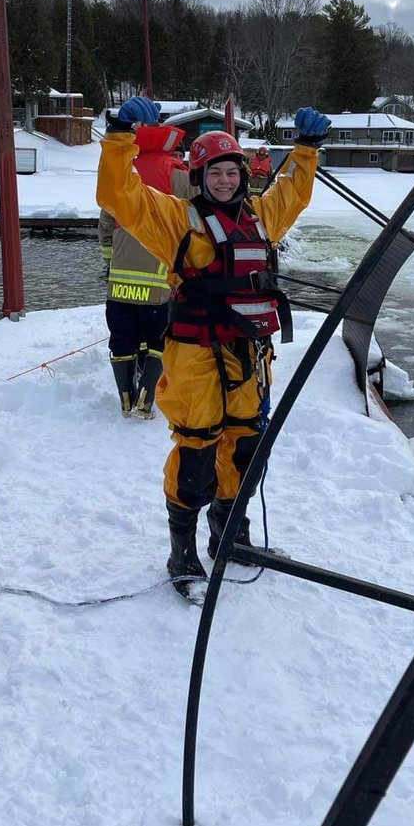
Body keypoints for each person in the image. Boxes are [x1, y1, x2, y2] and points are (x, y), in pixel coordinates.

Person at [97, 99, 330, 596]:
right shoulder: (176, 220)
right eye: (214, 173)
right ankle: (181, 552)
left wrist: (306, 150)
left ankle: (230, 535)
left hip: (249, 356)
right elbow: (120, 194)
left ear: (243, 177)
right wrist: (120, 134)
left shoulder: (262, 217)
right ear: (198, 178)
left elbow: (294, 194)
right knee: (198, 449)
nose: (225, 180)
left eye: (232, 172)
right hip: (196, 355)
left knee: (245, 448)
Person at [98, 122, 191, 418]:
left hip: (120, 281)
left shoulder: (127, 175)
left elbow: (105, 222)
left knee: (123, 339)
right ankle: (146, 400)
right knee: (158, 340)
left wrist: (110, 260)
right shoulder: (179, 176)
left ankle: (126, 399)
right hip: (158, 280)